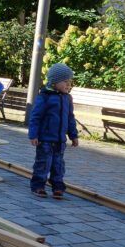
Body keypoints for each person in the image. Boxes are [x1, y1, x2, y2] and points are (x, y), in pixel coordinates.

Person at [28, 62, 79, 199]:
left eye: (70, 82)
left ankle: (57, 187)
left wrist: (73, 135)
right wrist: (33, 134)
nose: (68, 85)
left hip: (60, 141)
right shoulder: (44, 97)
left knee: (58, 165)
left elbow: (70, 118)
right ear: (54, 82)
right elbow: (36, 117)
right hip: (45, 139)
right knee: (43, 163)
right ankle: (38, 186)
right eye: (65, 82)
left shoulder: (68, 98)